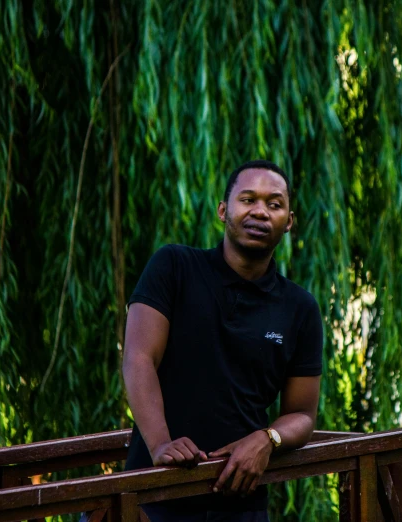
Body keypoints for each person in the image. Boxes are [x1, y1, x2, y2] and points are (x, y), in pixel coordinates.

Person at [122, 160, 323, 521]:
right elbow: (138, 358)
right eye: (248, 199)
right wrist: (161, 443)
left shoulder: (300, 308)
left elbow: (303, 413)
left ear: (289, 222)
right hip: (155, 495)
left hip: (240, 501)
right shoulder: (173, 268)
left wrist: (268, 439)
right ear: (222, 210)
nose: (260, 211)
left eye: (274, 204)